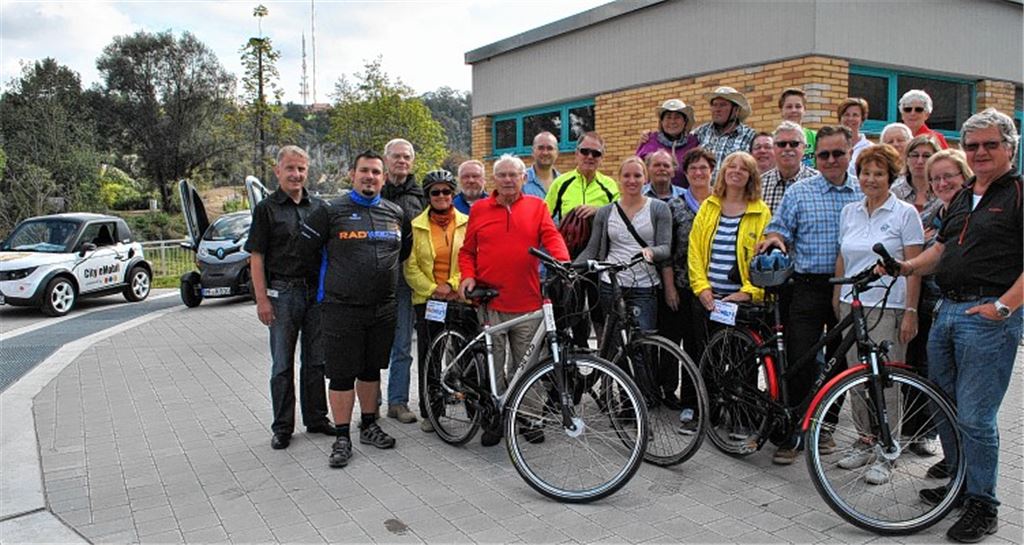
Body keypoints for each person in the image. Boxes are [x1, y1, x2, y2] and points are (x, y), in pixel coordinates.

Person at [886, 109, 1021, 543]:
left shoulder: (1018, 192)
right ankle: (961, 486)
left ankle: (984, 505)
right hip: (946, 311)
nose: (981, 152)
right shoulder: (964, 196)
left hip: (987, 316)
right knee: (943, 405)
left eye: (990, 145)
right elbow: (941, 250)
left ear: (1010, 148)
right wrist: (906, 266)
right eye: (974, 145)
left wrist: (1003, 307)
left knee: (977, 417)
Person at [759, 125, 863, 465]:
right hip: (806, 286)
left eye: (838, 153)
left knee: (839, 361)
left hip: (847, 287)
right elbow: (779, 227)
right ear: (814, 157)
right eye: (824, 154)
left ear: (850, 153)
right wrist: (774, 239)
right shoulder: (800, 192)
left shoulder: (864, 191)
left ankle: (825, 426)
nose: (831, 160)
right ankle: (791, 432)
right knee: (799, 358)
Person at [458, 154, 570, 446]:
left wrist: (563, 263)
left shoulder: (537, 206)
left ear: (523, 178)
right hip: (491, 301)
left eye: (514, 175)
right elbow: (467, 251)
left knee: (527, 364)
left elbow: (552, 237)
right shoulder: (480, 209)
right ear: (495, 179)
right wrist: (467, 276)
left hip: (528, 301)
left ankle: (529, 417)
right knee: (493, 367)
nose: (508, 180)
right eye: (503, 175)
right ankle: (493, 417)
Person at [832, 143, 924, 485]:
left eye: (878, 173)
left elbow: (913, 267)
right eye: (866, 173)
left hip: (890, 306)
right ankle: (864, 440)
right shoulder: (849, 212)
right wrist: (835, 296)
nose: (871, 179)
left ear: (890, 176)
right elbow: (843, 257)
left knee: (885, 382)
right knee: (855, 377)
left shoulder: (905, 214)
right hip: (851, 304)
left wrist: (911, 311)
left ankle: (888, 449)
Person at [320, 150, 412, 469]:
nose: (370, 176)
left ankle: (369, 424)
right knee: (343, 375)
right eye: (364, 171)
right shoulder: (330, 211)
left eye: (376, 172)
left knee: (372, 370)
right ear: (352, 174)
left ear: (384, 177)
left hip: (382, 308)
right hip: (340, 308)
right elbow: (308, 256)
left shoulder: (396, 213)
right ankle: (342, 436)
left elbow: (403, 252)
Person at [246, 145, 334, 450]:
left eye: (301, 169)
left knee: (316, 361)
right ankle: (282, 427)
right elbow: (256, 257)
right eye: (290, 169)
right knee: (282, 364)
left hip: (315, 296)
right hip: (282, 294)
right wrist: (262, 300)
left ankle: (317, 419)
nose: (296, 174)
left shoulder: (320, 208)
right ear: (278, 171)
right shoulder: (266, 210)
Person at [574, 156, 672, 352]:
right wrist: (572, 267)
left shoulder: (659, 208)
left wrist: (651, 251)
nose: (632, 180)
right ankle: (616, 382)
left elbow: (665, 248)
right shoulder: (606, 211)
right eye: (626, 176)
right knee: (614, 344)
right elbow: (593, 249)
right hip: (611, 285)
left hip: (644, 286)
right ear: (619, 179)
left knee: (643, 344)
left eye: (637, 175)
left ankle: (643, 383)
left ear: (645, 178)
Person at [403, 169, 469, 434]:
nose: (441, 196)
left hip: (461, 298)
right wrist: (434, 289)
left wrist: (452, 284)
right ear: (427, 196)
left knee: (467, 354)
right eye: (435, 192)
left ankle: (474, 409)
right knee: (430, 357)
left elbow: (471, 257)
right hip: (428, 300)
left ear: (453, 194)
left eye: (446, 191)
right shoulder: (416, 225)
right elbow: (410, 267)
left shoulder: (467, 221)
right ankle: (431, 411)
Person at [890, 135, 943, 459]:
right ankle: (905, 427)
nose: (920, 160)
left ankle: (926, 431)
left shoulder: (948, 190)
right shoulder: (897, 191)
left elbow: (949, 236)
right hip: (903, 284)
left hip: (934, 285)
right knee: (904, 360)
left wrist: (932, 237)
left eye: (927, 155)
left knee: (927, 361)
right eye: (915, 154)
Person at [546, 132, 621, 347]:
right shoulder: (561, 183)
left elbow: (620, 216)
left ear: (602, 157)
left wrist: (598, 210)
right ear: (576, 154)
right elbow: (546, 219)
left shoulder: (609, 186)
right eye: (585, 151)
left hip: (599, 258)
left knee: (600, 313)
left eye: (595, 153)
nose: (590, 156)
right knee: (570, 314)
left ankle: (604, 364)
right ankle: (571, 366)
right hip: (567, 258)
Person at [381, 138, 426, 425]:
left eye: (406, 157)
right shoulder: (373, 190)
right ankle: (369, 401)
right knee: (371, 344)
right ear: (386, 160)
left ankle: (397, 402)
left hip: (407, 281)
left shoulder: (421, 196)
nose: (401, 161)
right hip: (374, 281)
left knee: (402, 346)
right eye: (396, 156)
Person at [664, 148, 716, 362]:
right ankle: (677, 394)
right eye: (692, 168)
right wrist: (670, 288)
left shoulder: (721, 205)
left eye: (703, 168)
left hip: (715, 287)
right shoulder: (674, 205)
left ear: (712, 171)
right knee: (679, 346)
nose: (698, 173)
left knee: (706, 347)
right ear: (685, 174)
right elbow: (666, 251)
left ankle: (705, 394)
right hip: (683, 286)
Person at [694, 86, 757, 178]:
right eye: (714, 105)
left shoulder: (749, 136)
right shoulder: (701, 132)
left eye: (723, 105)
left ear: (735, 110)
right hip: (704, 191)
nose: (717, 109)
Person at [636, 99, 700, 188]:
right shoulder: (649, 140)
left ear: (684, 121)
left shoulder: (693, 142)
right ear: (661, 122)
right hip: (652, 196)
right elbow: (636, 168)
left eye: (677, 117)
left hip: (684, 198)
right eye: (668, 117)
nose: (672, 121)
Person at [761, 121, 819, 215]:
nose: (787, 148)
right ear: (773, 148)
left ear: (804, 148)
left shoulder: (819, 182)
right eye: (781, 144)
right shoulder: (759, 184)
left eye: (794, 143)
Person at [777, 88, 817, 166]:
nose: (793, 110)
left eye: (798, 106)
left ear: (804, 110)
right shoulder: (773, 138)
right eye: (789, 107)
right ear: (781, 110)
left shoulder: (815, 137)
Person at [838, 97, 871, 178]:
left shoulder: (870, 149)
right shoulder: (832, 145)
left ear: (862, 119)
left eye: (855, 115)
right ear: (840, 118)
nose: (850, 119)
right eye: (846, 115)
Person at [523, 131, 560, 198]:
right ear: (532, 151)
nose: (545, 153)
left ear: (557, 153)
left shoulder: (564, 182)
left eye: (550, 148)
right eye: (540, 148)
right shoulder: (520, 181)